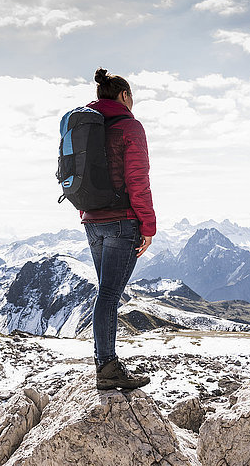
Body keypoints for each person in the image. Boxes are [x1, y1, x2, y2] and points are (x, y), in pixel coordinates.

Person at [81, 68, 156, 390]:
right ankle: (108, 369)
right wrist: (148, 225)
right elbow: (138, 179)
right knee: (109, 295)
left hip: (92, 220)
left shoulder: (85, 126)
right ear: (124, 96)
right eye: (132, 95)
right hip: (121, 221)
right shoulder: (129, 126)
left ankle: (105, 362)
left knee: (105, 293)